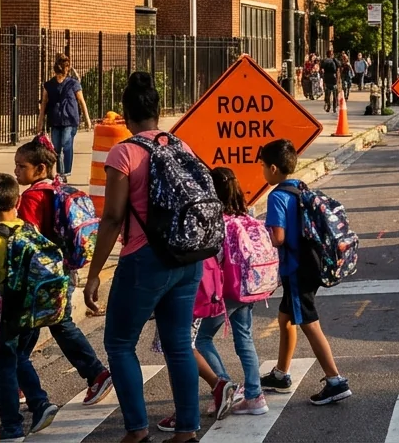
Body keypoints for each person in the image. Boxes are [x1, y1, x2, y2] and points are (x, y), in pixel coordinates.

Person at [82, 73, 201, 443]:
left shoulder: (124, 152)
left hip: (143, 259)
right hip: (187, 256)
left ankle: (137, 430)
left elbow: (114, 216)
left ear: (127, 116)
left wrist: (94, 272)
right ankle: (187, 431)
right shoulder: (182, 145)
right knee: (179, 344)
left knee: (119, 344)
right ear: (159, 110)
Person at [5, 136, 113, 408]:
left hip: (40, 278)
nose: (16, 171)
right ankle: (16, 380)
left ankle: (96, 373)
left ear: (40, 168)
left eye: (21, 166)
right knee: (42, 326)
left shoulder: (31, 197)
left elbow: (27, 238)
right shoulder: (57, 188)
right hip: (61, 270)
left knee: (49, 326)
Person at [159, 167, 267, 430]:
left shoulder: (216, 219)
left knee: (200, 339)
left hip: (224, 290)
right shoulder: (246, 213)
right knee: (245, 339)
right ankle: (255, 395)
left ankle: (225, 386)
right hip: (249, 287)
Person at [260, 139, 351, 405]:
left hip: (296, 270)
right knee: (285, 319)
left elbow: (277, 237)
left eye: (263, 167)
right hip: (309, 263)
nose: (262, 172)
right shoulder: (298, 187)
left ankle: (335, 380)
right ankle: (280, 373)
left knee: (310, 324)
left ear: (273, 168)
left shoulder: (277, 195)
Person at [0, 173, 60, 441]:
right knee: (20, 358)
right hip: (35, 311)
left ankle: (13, 424)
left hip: (9, 314)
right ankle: (39, 404)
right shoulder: (30, 229)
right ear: (18, 200)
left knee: (3, 366)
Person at [39, 54, 91, 181]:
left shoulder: (73, 84)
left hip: (70, 119)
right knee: (56, 147)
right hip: (55, 119)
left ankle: (65, 173)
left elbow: (81, 101)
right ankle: (60, 173)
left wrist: (87, 119)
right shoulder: (49, 85)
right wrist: (40, 124)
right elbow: (44, 104)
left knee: (66, 145)